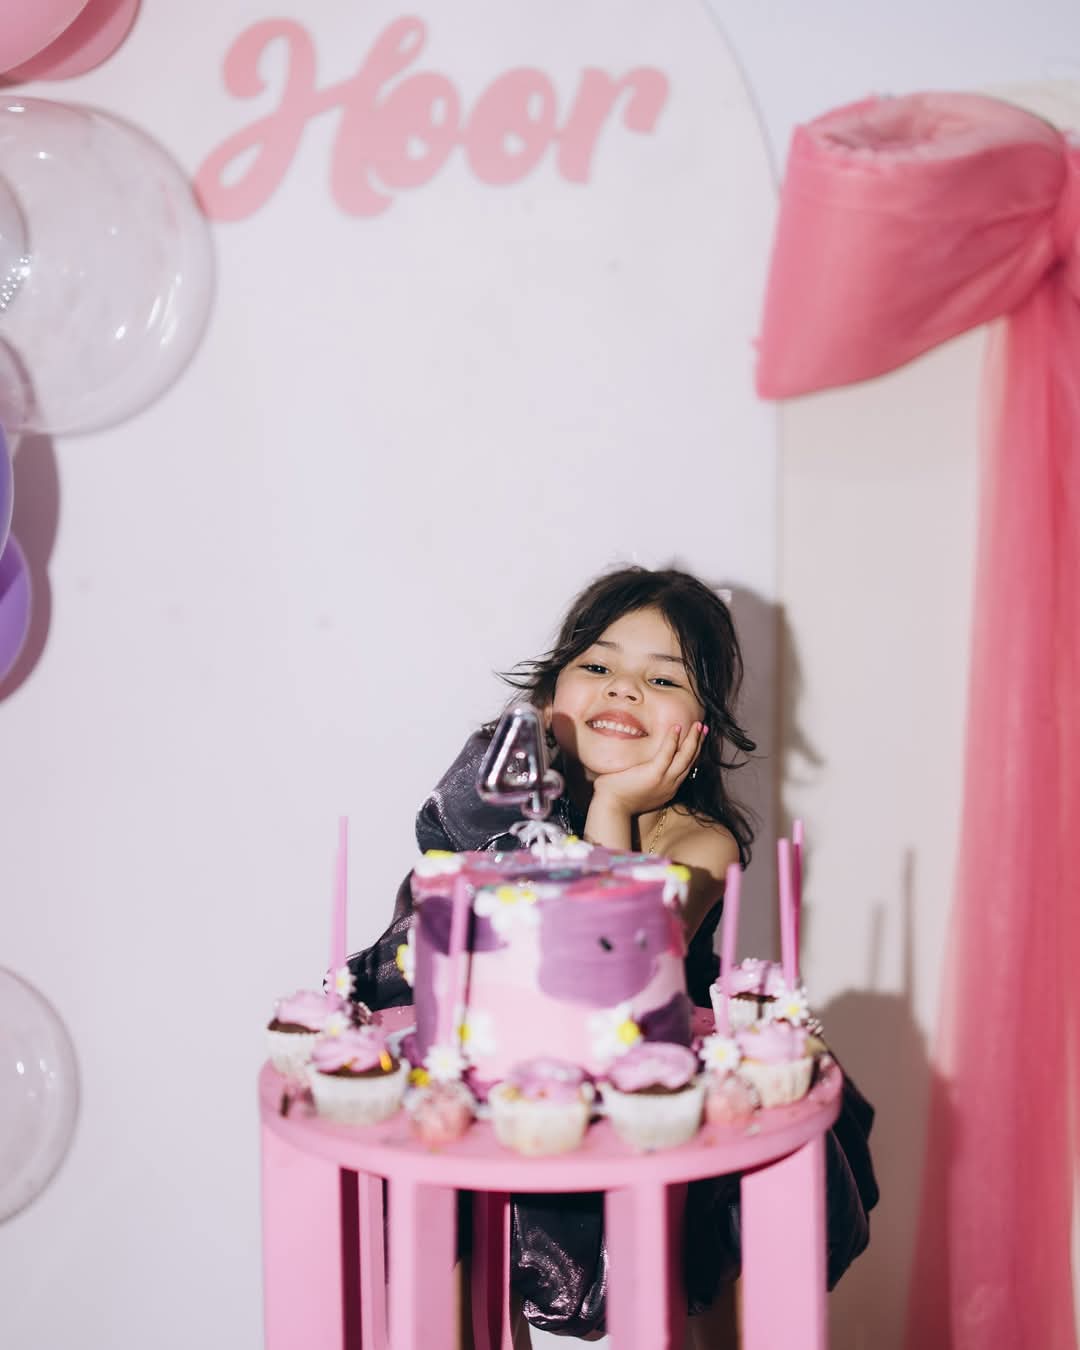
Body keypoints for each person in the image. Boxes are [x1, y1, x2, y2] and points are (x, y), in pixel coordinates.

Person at [348, 565, 878, 1344]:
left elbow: (608, 956)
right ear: (548, 698)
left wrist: (615, 805)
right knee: (452, 1240)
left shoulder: (699, 840)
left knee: (687, 1280)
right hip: (490, 1074)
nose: (623, 688)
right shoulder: (507, 804)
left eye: (662, 679)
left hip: (645, 1096)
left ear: (702, 727)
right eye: (597, 666)